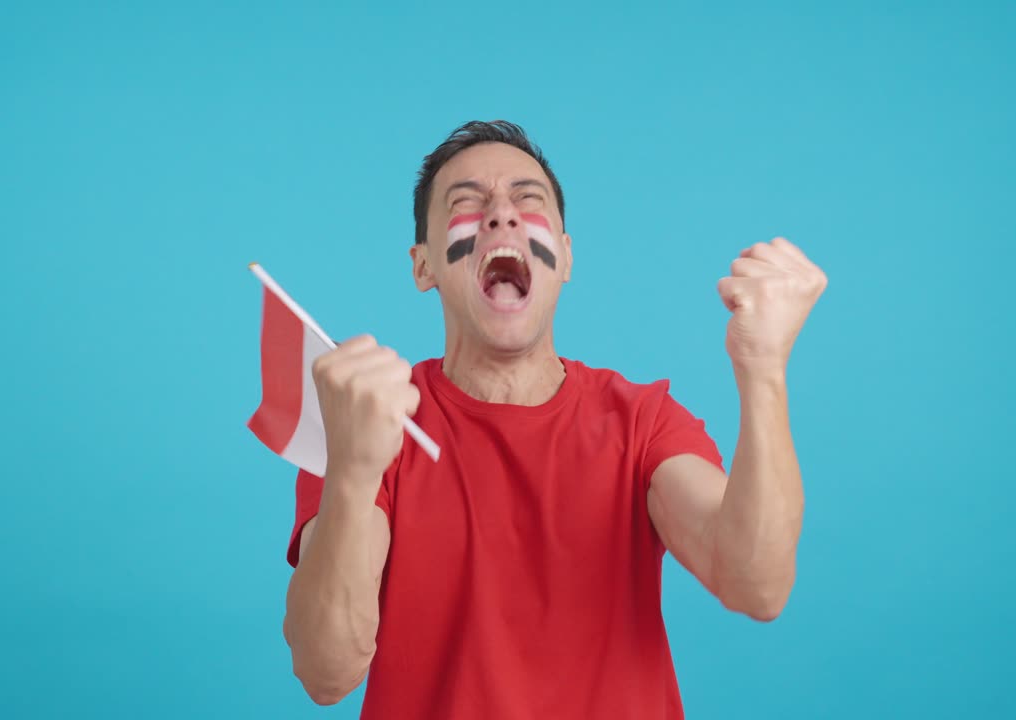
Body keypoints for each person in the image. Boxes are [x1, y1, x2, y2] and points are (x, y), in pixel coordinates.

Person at [281, 120, 827, 719]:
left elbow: (757, 583)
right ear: (424, 266)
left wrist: (764, 368)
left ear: (565, 256)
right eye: (466, 203)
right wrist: (355, 473)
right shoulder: (370, 420)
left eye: (527, 200)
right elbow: (326, 671)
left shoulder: (641, 423)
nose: (501, 215)